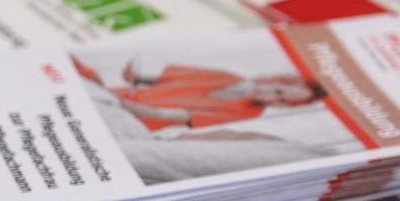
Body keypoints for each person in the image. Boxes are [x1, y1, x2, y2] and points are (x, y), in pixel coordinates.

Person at [86, 60, 324, 132]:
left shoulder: (247, 112)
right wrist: (133, 75)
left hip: (129, 119)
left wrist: (110, 99)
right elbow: (152, 79)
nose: (272, 98)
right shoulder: (225, 74)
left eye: (281, 102)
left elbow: (162, 115)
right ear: (275, 79)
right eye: (279, 91)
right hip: (115, 96)